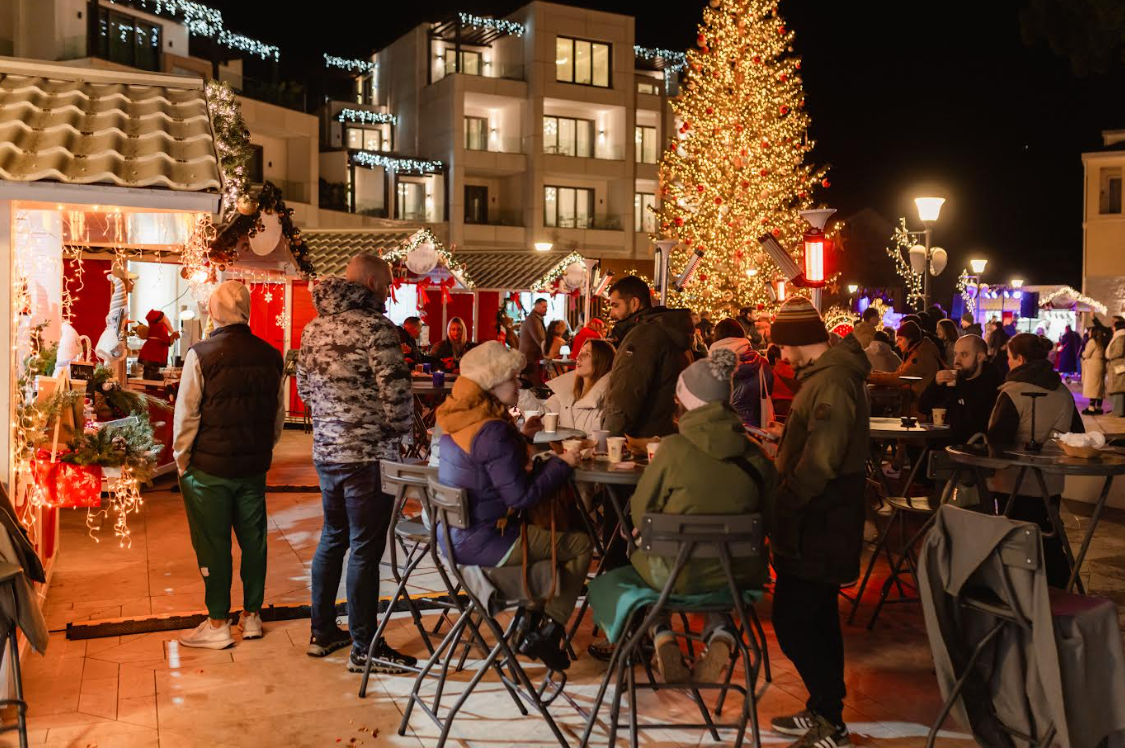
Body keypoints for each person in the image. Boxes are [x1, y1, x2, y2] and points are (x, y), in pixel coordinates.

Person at [435, 341, 590, 672]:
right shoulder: (493, 430)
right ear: (493, 382)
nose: (520, 385)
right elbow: (521, 498)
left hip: (451, 538)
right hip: (488, 541)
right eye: (515, 378)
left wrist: (522, 438)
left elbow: (487, 467)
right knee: (580, 544)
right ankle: (548, 630)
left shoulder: (457, 418)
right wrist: (565, 462)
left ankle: (527, 624)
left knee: (550, 544)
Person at [624, 347, 777, 682]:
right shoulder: (755, 455)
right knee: (714, 565)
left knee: (665, 568)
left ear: (685, 401)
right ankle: (720, 629)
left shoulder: (672, 449)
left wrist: (642, 529)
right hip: (739, 575)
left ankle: (662, 632)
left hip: (671, 573)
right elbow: (772, 513)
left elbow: (640, 511)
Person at [297, 255, 415, 673]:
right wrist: (402, 437)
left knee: (333, 537)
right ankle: (365, 646)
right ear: (370, 282)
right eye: (386, 286)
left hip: (327, 451)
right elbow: (396, 395)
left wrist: (333, 418)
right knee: (366, 546)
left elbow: (305, 391)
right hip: (367, 455)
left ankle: (322, 631)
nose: (389, 293)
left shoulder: (313, 329)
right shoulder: (377, 328)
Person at [768, 297, 870, 748]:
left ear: (796, 342)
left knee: (794, 620)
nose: (780, 355)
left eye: (782, 346)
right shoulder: (824, 379)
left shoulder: (830, 383)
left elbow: (821, 460)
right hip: (821, 517)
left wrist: (785, 503)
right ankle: (823, 709)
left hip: (820, 518)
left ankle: (831, 718)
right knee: (817, 617)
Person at [173, 281, 285, 650]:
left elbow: (186, 415)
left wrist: (182, 461)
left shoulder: (201, 354)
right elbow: (277, 417)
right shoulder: (271, 355)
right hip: (252, 467)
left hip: (208, 470)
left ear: (214, 311)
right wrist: (261, 450)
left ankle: (218, 621)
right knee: (255, 543)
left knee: (214, 545)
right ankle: (252, 616)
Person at [987, 333, 1084, 588]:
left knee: (1017, 539)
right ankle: (1059, 591)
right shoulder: (1062, 392)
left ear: (1019, 359)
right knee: (1049, 537)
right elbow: (1078, 436)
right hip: (1051, 480)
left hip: (1013, 481)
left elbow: (998, 439)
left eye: (1009, 358)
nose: (1007, 363)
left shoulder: (1013, 392)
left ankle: (1019, 594)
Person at [602, 275, 694, 438]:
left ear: (634, 303)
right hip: (664, 435)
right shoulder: (664, 331)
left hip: (644, 438)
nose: (612, 313)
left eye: (615, 306)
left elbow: (626, 394)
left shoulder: (644, 336)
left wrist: (607, 439)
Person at [919, 334, 1002, 444]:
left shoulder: (991, 385)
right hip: (941, 447)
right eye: (955, 354)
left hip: (971, 449)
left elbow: (974, 423)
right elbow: (923, 407)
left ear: (980, 357)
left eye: (964, 354)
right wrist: (936, 384)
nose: (957, 360)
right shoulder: (953, 379)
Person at [522, 339, 616, 434]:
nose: (578, 357)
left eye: (587, 354)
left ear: (602, 362)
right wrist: (520, 390)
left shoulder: (608, 401)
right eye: (580, 352)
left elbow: (598, 440)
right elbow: (544, 417)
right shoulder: (565, 391)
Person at [709, 318, 773, 429]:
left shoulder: (709, 364)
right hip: (755, 427)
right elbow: (769, 388)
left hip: (720, 427)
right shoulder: (762, 363)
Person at [869, 320, 943, 401]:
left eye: (900, 339)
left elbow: (900, 378)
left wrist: (869, 377)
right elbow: (898, 374)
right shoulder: (914, 352)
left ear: (910, 339)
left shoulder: (920, 356)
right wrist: (877, 374)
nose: (898, 343)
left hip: (919, 406)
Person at [137, 309, 179, 379]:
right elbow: (167, 340)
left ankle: (147, 375)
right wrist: (173, 336)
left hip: (148, 350)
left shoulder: (152, 326)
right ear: (160, 319)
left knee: (148, 368)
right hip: (155, 352)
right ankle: (153, 376)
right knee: (154, 367)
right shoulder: (161, 327)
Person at [519, 298, 549, 383]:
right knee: (535, 385)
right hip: (529, 359)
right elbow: (540, 340)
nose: (546, 309)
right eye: (544, 307)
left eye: (546, 307)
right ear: (537, 306)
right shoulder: (533, 320)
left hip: (531, 359)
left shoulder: (536, 318)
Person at [1081, 325, 1109, 414]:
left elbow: (1086, 354)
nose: (1088, 333)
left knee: (1092, 386)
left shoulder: (1092, 341)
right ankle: (1099, 407)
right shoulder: (1102, 341)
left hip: (1093, 366)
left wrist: (1083, 353)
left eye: (1090, 331)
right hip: (1100, 364)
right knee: (1099, 386)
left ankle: (1091, 407)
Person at [766, 344, 797, 419]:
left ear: (776, 359)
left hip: (776, 411)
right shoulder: (796, 370)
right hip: (795, 408)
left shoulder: (769, 373)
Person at [1107, 320, 1125, 416]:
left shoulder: (1120, 337)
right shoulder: (1119, 336)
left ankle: (1118, 411)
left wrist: (1110, 356)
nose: (1112, 328)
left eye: (1113, 326)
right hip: (1117, 365)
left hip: (1118, 366)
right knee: (1117, 388)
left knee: (1118, 388)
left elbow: (1119, 351)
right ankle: (1117, 410)